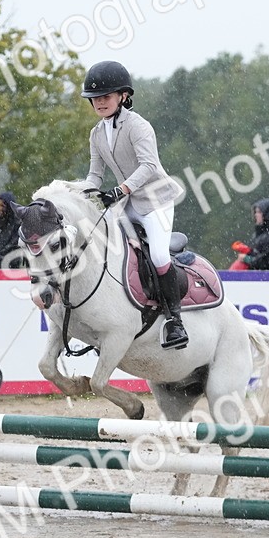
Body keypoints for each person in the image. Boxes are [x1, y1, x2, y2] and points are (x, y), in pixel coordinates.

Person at [76, 60, 187, 349]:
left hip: (155, 201)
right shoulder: (96, 133)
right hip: (125, 202)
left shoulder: (139, 126)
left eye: (106, 97)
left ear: (123, 96)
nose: (100, 102)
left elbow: (149, 165)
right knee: (106, 249)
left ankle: (175, 321)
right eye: (95, 99)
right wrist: (81, 193)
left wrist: (120, 189)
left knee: (160, 256)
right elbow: (95, 174)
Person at [236, 199, 269, 270]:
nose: (256, 215)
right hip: (259, 278)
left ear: (268, 215)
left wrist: (248, 259)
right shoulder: (258, 235)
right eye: (255, 212)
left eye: (259, 212)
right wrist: (248, 252)